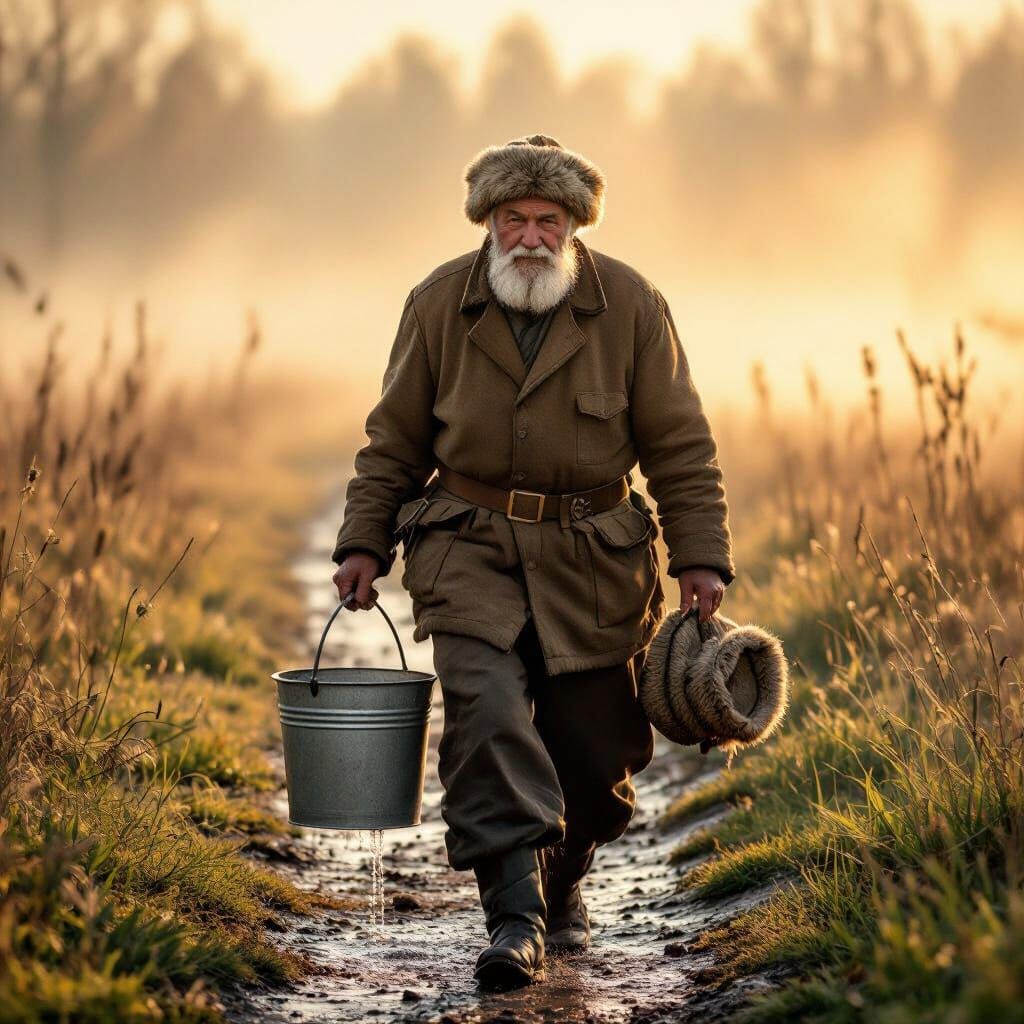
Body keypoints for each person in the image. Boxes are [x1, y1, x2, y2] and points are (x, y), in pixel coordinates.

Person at [331, 133, 734, 990]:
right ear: (487, 221)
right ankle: (512, 916)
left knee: (594, 754)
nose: (529, 237)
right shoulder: (439, 302)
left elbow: (681, 446)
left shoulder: (630, 304)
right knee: (486, 714)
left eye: (547, 220)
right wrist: (365, 541)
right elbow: (392, 440)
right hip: (465, 547)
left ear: (573, 227)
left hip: (595, 559)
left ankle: (562, 877)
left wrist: (701, 558)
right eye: (512, 218)